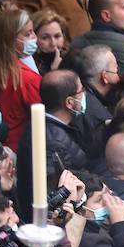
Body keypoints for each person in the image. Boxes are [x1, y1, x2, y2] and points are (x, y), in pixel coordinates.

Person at [14, 68, 89, 209]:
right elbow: (55, 190)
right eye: (81, 91)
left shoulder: (45, 127)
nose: (84, 95)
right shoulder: (53, 141)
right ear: (69, 102)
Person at [0, 3, 42, 150]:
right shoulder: (27, 79)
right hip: (20, 150)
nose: (34, 37)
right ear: (10, 39)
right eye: (27, 33)